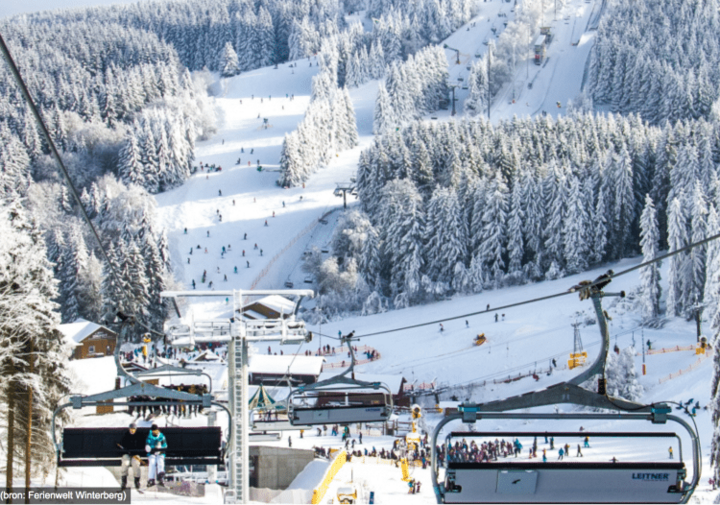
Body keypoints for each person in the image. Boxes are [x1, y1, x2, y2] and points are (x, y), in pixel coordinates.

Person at [118, 423, 144, 491]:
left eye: (133, 429)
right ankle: (124, 482)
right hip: (126, 454)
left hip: (135, 454)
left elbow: (141, 446)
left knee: (136, 463)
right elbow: (121, 444)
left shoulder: (139, 436)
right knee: (125, 463)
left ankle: (137, 481)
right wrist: (124, 450)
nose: (132, 431)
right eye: (131, 429)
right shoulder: (125, 436)